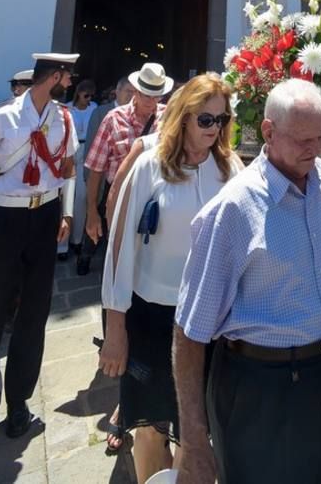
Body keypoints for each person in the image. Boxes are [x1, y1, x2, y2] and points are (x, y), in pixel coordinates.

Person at [173, 77, 321, 484]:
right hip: (260, 388)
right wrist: (194, 440)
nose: (313, 149)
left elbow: (318, 237)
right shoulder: (233, 211)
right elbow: (189, 332)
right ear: (268, 131)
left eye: (319, 138)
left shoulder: (318, 175)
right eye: (302, 139)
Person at [99, 73, 242, 483]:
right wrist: (115, 328)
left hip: (207, 319)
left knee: (194, 428)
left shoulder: (229, 167)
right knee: (149, 425)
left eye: (222, 119)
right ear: (182, 118)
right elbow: (120, 248)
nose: (214, 130)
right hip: (151, 318)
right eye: (205, 120)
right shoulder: (150, 165)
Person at [0, 52, 78, 448]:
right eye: (66, 76)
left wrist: (66, 213)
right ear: (53, 76)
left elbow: (67, 168)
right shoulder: (3, 117)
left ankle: (19, 403)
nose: (69, 83)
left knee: (33, 315)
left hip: (44, 216)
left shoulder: (63, 118)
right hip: (5, 219)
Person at [83, 63, 170, 260]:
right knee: (118, 256)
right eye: (147, 95)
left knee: (150, 259)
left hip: (156, 199)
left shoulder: (168, 116)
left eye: (157, 96)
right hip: (120, 197)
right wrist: (92, 212)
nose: (152, 101)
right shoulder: (113, 118)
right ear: (136, 91)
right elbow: (96, 169)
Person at [57, 79, 97, 258]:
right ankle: (61, 245)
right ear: (78, 92)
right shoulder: (66, 108)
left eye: (91, 95)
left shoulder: (94, 108)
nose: (88, 98)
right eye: (86, 94)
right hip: (69, 152)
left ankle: (77, 240)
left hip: (86, 149)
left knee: (81, 198)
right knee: (65, 197)